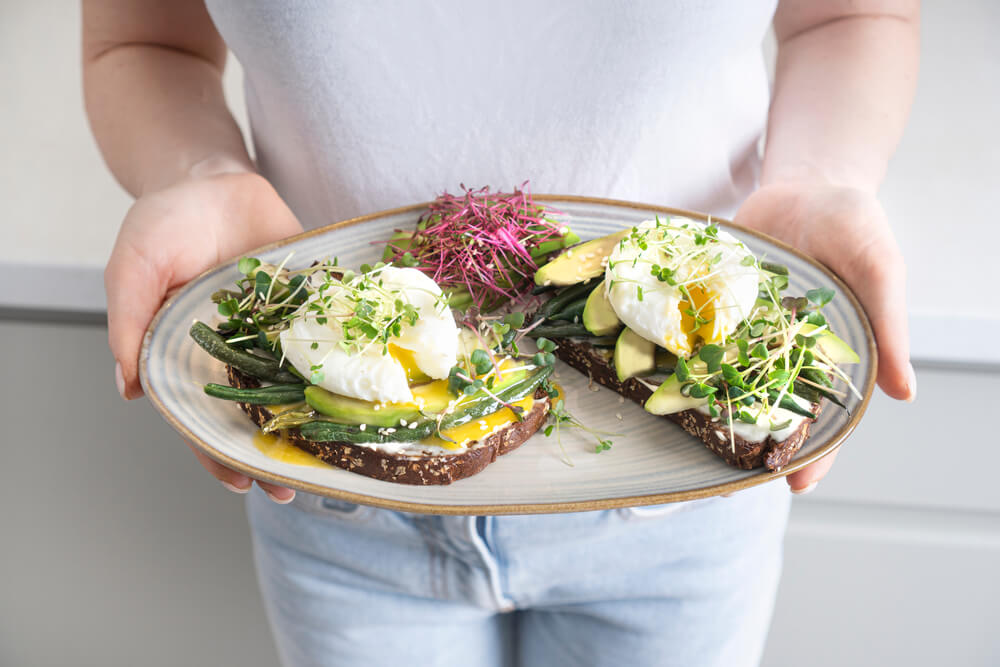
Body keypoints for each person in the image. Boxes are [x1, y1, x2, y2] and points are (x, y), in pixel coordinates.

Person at [82, 1, 919, 665]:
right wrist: (195, 172)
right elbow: (147, 38)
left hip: (683, 500)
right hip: (334, 506)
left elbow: (848, 15)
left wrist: (823, 176)